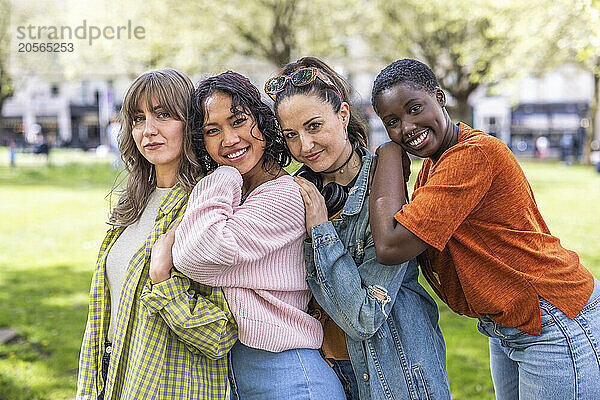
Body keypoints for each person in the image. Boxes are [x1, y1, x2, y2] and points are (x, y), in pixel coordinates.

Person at [369, 58, 600, 400]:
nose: (406, 128)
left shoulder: (473, 156)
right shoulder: (434, 167)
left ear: (440, 97)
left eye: (415, 108)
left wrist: (387, 156)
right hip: (507, 325)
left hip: (550, 318)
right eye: (392, 123)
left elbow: (390, 246)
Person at [268, 56, 451, 400]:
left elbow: (363, 317)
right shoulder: (295, 193)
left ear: (342, 115)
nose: (304, 146)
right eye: (291, 135)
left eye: (314, 126)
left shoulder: (385, 188)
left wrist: (321, 231)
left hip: (394, 373)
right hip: (324, 375)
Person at [166, 71, 345, 400]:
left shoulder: (288, 196)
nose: (229, 139)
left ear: (262, 121)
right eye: (212, 131)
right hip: (237, 373)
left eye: (238, 121)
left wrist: (222, 173)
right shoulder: (241, 195)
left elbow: (195, 255)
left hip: (290, 376)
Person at [76, 68, 237, 400]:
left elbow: (222, 333)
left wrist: (163, 279)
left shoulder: (206, 206)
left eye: (163, 114)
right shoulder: (134, 202)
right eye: (138, 118)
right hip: (113, 382)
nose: (148, 130)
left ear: (189, 123)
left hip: (170, 387)